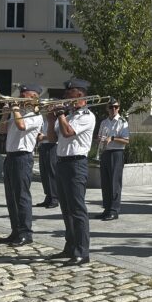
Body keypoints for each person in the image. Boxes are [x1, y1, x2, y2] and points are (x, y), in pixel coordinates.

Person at [47, 78, 95, 266]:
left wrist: (60, 114)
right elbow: (52, 138)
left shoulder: (87, 116)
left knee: (77, 209)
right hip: (62, 163)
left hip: (76, 164)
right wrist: (51, 120)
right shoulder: (69, 115)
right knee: (66, 209)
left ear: (80, 95)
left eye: (69, 93)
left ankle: (82, 252)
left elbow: (68, 133)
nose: (65, 96)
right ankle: (70, 247)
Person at [0, 84, 43, 246]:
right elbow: (2, 130)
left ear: (33, 98)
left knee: (22, 196)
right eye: (20, 95)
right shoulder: (16, 113)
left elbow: (21, 126)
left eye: (24, 96)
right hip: (10, 156)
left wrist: (15, 109)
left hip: (23, 157)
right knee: (11, 197)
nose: (20, 98)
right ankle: (15, 231)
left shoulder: (36, 116)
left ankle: (25, 233)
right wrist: (5, 114)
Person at [97, 98, 130, 221]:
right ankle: (106, 208)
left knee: (114, 183)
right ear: (107, 108)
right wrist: (100, 139)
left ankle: (114, 210)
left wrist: (112, 138)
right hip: (105, 152)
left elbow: (126, 140)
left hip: (116, 153)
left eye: (116, 107)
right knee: (105, 183)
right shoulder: (104, 122)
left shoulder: (122, 122)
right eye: (111, 107)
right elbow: (99, 137)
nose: (113, 109)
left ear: (119, 108)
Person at [35, 116, 59, 210]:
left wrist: (43, 137)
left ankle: (54, 198)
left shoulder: (55, 119)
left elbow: (56, 136)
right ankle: (48, 196)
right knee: (44, 173)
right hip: (43, 146)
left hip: (52, 146)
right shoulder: (43, 120)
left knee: (51, 173)